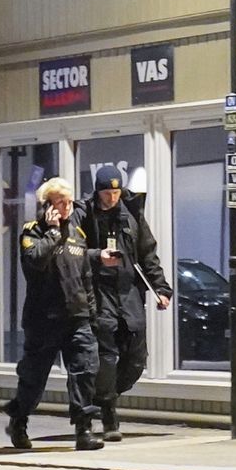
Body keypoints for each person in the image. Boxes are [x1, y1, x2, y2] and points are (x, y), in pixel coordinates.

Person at [4, 177, 104, 451]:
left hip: (77, 317)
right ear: (47, 205)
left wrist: (91, 313)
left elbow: (85, 277)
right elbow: (35, 262)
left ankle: (84, 429)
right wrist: (51, 231)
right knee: (34, 378)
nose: (66, 207)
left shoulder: (78, 234)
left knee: (84, 371)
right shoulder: (32, 232)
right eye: (60, 202)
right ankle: (18, 420)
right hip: (43, 321)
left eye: (69, 201)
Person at [74, 165, 172, 442]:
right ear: (98, 190)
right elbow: (72, 251)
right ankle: (108, 412)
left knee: (136, 360)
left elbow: (147, 254)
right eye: (107, 192)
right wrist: (97, 255)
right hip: (99, 292)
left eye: (116, 192)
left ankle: (105, 396)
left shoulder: (132, 213)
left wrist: (161, 289)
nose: (112, 197)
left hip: (128, 293)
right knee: (105, 357)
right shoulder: (84, 214)